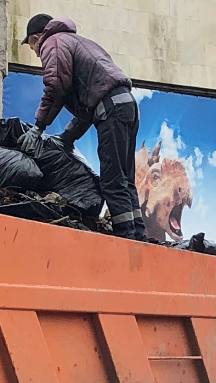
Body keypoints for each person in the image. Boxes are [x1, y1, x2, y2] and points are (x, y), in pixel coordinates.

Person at [19, 14, 146, 239]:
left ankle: (126, 239)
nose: (36, 53)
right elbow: (88, 106)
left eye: (32, 47)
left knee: (112, 181)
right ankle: (138, 235)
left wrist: (38, 126)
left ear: (37, 38)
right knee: (125, 179)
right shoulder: (79, 42)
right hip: (125, 105)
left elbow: (56, 86)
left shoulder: (53, 43)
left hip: (111, 110)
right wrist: (67, 137)